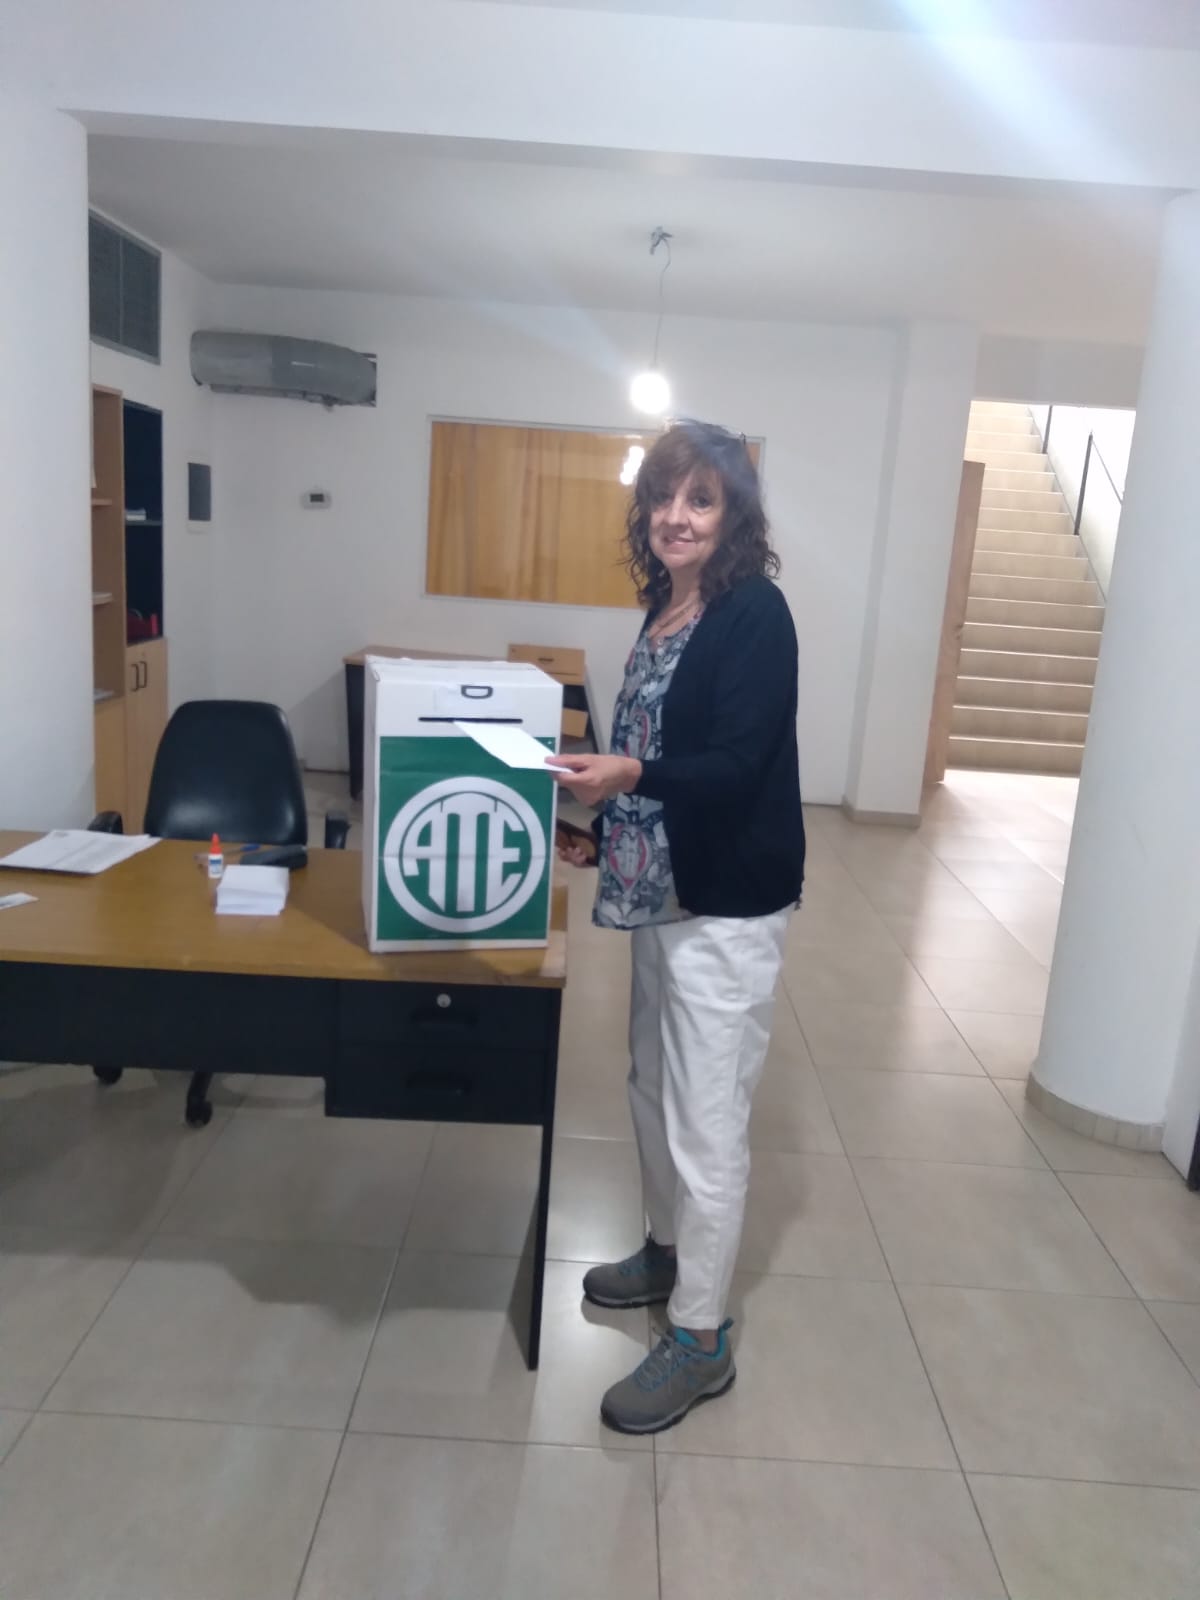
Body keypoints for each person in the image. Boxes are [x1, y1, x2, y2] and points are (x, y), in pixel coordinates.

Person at [551, 418, 805, 1434]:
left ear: (734, 512)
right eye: (662, 496)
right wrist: (600, 828)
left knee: (707, 1122)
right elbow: (652, 752)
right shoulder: (664, 608)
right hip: (657, 892)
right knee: (651, 1086)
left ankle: (700, 1339)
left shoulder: (755, 615)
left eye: (700, 498)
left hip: (725, 907)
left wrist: (631, 777)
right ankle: (664, 1251)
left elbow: (735, 763)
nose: (676, 515)